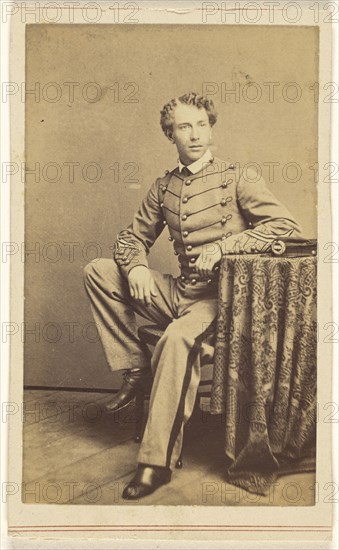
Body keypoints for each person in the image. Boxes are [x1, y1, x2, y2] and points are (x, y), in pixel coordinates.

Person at [83, 91, 303, 500]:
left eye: (201, 124)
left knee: (177, 338)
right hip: (180, 292)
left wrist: (225, 246)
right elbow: (131, 237)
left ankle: (154, 464)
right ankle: (135, 366)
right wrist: (137, 268)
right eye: (185, 127)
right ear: (171, 135)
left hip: (222, 300)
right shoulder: (163, 187)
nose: (195, 134)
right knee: (99, 270)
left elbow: (286, 227)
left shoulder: (238, 177)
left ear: (211, 128)